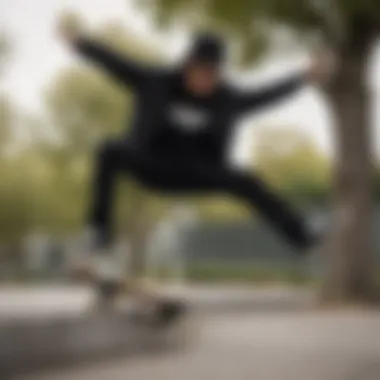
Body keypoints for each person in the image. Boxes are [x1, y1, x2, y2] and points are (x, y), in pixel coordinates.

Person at [58, 23, 331, 319]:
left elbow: (263, 96)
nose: (204, 81)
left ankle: (302, 237)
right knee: (109, 151)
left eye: (211, 75)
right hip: (152, 164)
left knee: (245, 180)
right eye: (199, 73)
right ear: (187, 65)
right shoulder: (155, 81)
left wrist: (303, 78)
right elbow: (116, 63)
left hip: (198, 172)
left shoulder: (227, 98)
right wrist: (81, 44)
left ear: (218, 73)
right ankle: (99, 236)